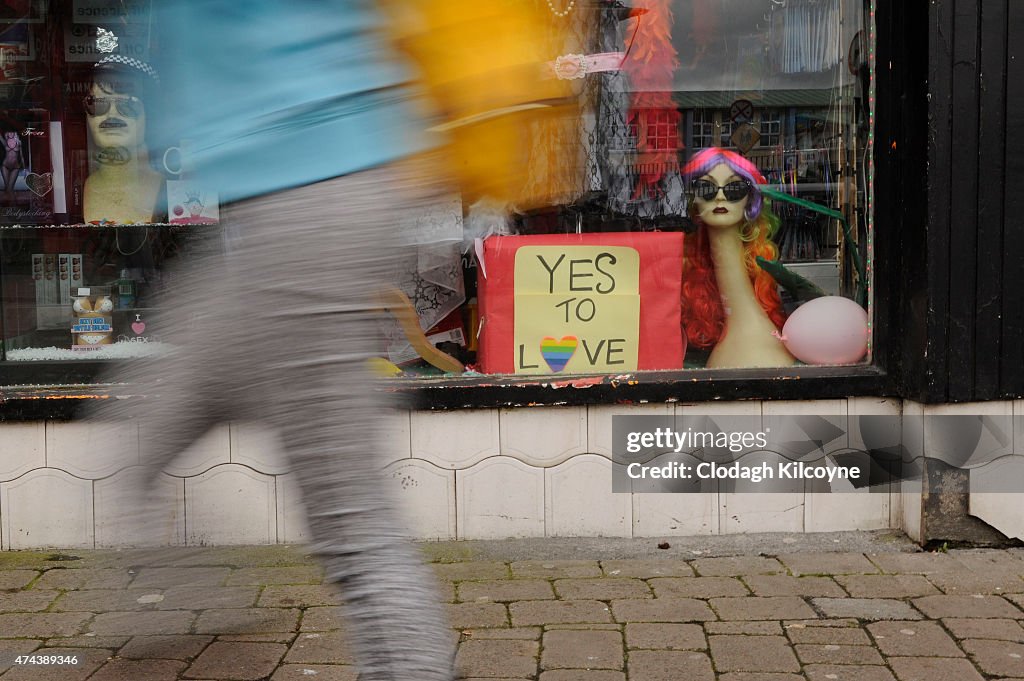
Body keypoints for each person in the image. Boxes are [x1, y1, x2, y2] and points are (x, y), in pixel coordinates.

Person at [83, 2, 557, 679]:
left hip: (310, 196)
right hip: (261, 209)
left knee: (350, 522)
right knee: (140, 438)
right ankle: (195, 625)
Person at [680, 147, 795, 368]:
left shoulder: (759, 350)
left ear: (750, 200)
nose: (720, 196)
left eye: (734, 188)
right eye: (706, 188)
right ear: (693, 200)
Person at [83, 57, 164, 224]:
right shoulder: (77, 190)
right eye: (98, 104)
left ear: (151, 116)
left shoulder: (166, 189)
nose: (111, 114)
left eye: (128, 105)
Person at [2, 130, 23, 204]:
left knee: (10, 188)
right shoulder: (5, 142)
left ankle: (13, 207)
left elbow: (21, 155)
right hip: (5, 166)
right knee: (7, 188)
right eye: (9, 132)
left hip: (15, 166)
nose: (10, 134)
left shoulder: (18, 142)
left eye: (12, 132)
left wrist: (23, 165)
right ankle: (8, 207)